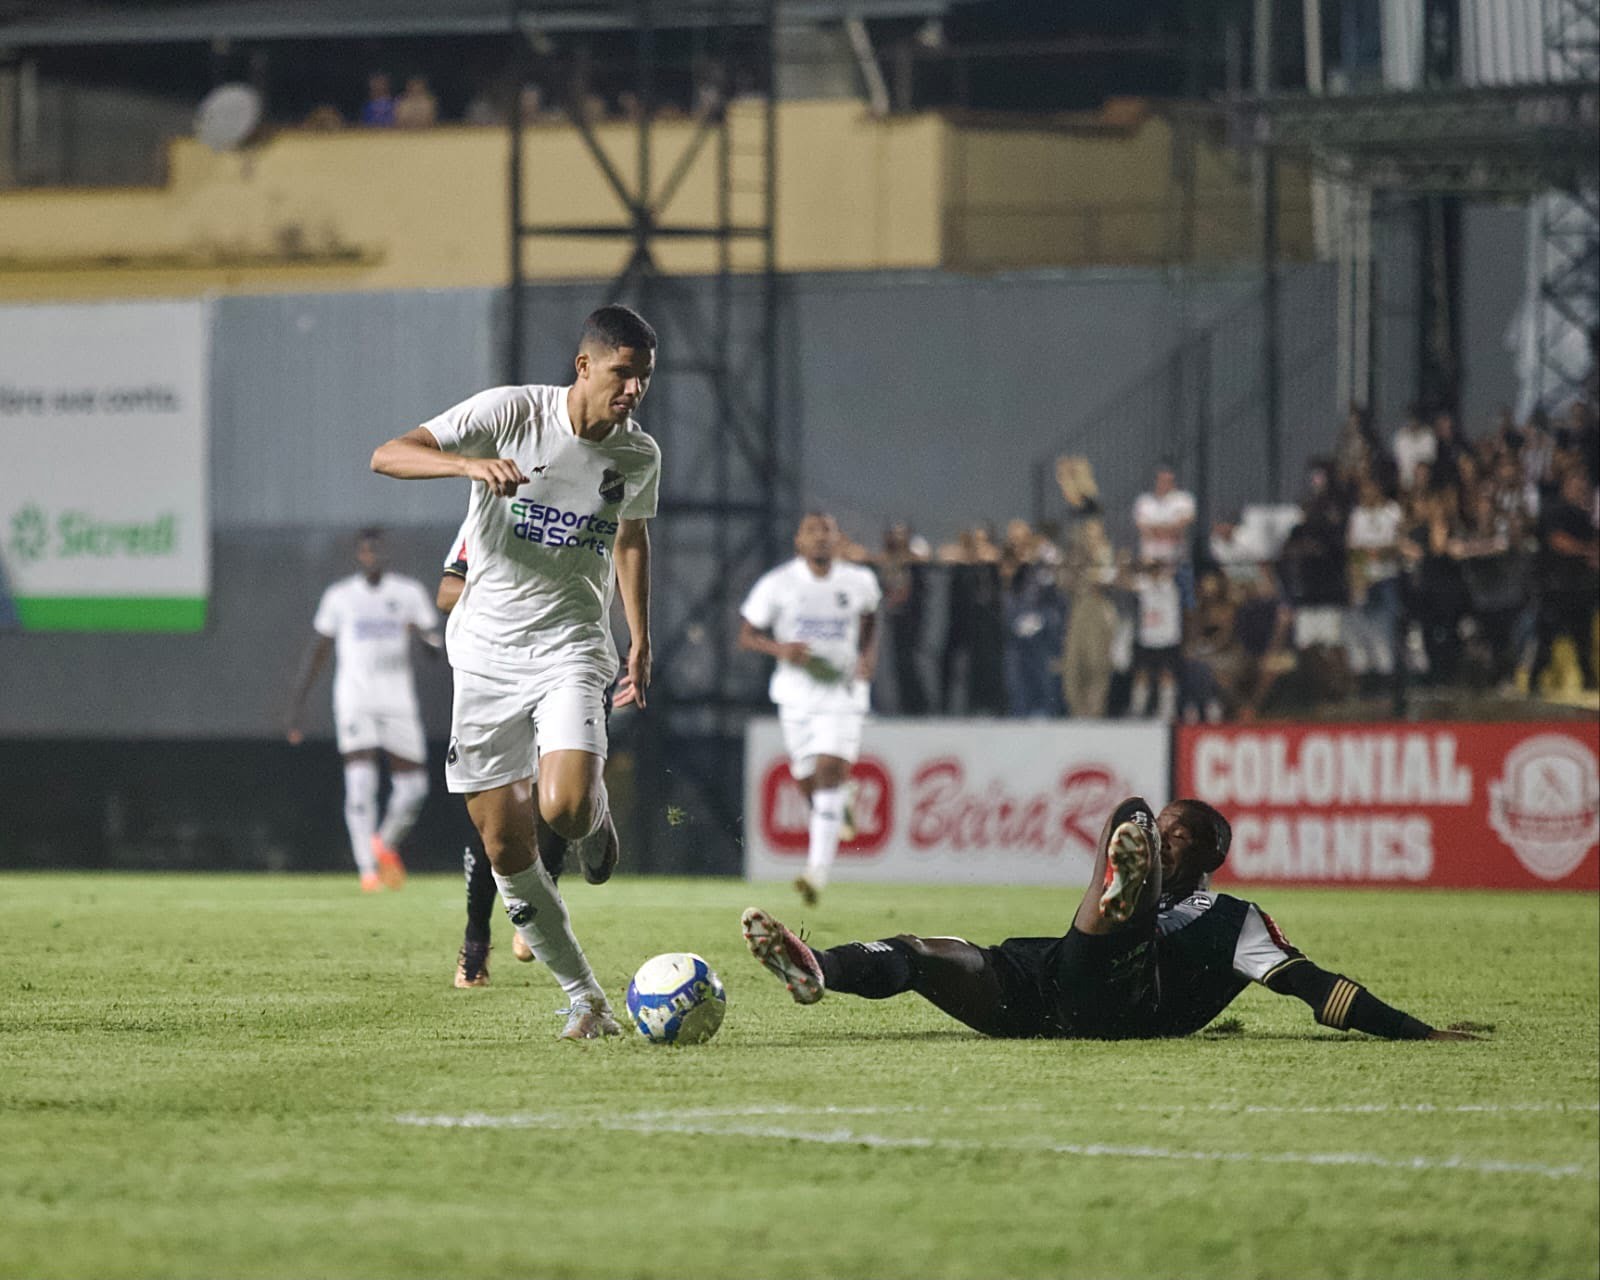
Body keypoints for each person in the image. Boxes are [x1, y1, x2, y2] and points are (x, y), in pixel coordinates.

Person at [369, 304, 661, 1039]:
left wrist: (640, 637)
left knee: (560, 807)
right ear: (585, 365)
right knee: (504, 844)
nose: (634, 392)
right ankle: (586, 999)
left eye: (645, 379)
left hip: (569, 644)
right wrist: (465, 464)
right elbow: (389, 453)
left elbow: (630, 539)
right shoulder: (510, 413)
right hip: (485, 655)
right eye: (624, 374)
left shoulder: (638, 455)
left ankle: (591, 826)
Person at [742, 795, 1476, 1042]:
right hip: (1044, 989)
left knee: (1123, 810)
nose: (1164, 833)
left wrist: (1419, 1030)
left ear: (1209, 855)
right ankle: (817, 970)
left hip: (1122, 996)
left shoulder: (1232, 919)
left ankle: (1123, 910)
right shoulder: (1175, 872)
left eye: (1177, 835)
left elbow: (1320, 990)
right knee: (923, 952)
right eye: (1159, 828)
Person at [285, 528, 441, 892]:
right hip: (355, 699)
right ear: (358, 555)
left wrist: (419, 633)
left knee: (414, 788)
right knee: (360, 784)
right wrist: (297, 707)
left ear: (386, 554)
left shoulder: (408, 593)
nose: (372, 556)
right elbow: (319, 650)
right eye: (365, 551)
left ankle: (383, 843)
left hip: (398, 701)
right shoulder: (341, 597)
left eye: (377, 551)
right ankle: (367, 870)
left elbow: (436, 649)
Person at [739, 511, 882, 906]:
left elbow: (870, 619)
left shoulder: (859, 581)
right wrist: (779, 648)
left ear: (838, 540)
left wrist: (866, 658)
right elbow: (747, 635)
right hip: (796, 695)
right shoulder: (778, 584)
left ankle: (816, 873)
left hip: (842, 693)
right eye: (812, 532)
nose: (820, 538)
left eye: (828, 532)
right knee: (806, 780)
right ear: (798, 542)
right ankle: (841, 803)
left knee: (828, 772)